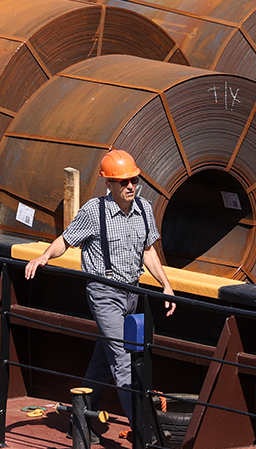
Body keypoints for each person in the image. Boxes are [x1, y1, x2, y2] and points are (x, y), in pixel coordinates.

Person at [24, 148, 176, 427]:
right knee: (123, 362)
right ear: (109, 184)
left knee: (102, 363)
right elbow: (66, 240)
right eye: (123, 182)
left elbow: (148, 252)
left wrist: (166, 285)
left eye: (133, 180)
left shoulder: (144, 209)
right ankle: (145, 433)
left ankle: (80, 422)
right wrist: (45, 255)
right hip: (105, 294)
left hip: (133, 294)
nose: (130, 186)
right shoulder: (94, 212)